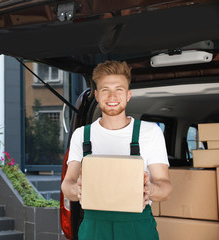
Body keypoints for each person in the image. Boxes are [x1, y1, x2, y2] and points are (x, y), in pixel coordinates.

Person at [61, 61, 172, 240]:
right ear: (97, 95)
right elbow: (67, 186)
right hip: (94, 227)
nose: (112, 96)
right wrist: (77, 189)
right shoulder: (81, 135)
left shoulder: (150, 132)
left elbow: (165, 188)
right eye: (105, 90)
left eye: (119, 89)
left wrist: (149, 189)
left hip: (137, 225)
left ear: (128, 95)